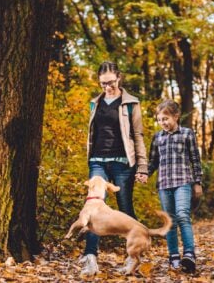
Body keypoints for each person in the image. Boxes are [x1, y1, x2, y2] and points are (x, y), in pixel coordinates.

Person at [79, 61, 149, 276]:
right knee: (94, 210)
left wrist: (143, 166)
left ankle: (133, 256)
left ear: (119, 78)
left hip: (122, 163)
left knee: (125, 209)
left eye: (110, 82)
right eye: (103, 84)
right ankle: (90, 257)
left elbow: (137, 136)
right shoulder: (95, 103)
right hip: (98, 161)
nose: (107, 87)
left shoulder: (130, 103)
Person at [148, 99, 203, 273]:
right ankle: (173, 256)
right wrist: (143, 174)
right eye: (159, 120)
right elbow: (153, 162)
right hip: (164, 184)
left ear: (176, 116)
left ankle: (189, 254)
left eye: (166, 118)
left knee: (182, 215)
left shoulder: (187, 134)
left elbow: (195, 160)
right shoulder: (157, 137)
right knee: (169, 221)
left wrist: (198, 183)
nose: (163, 122)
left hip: (183, 182)